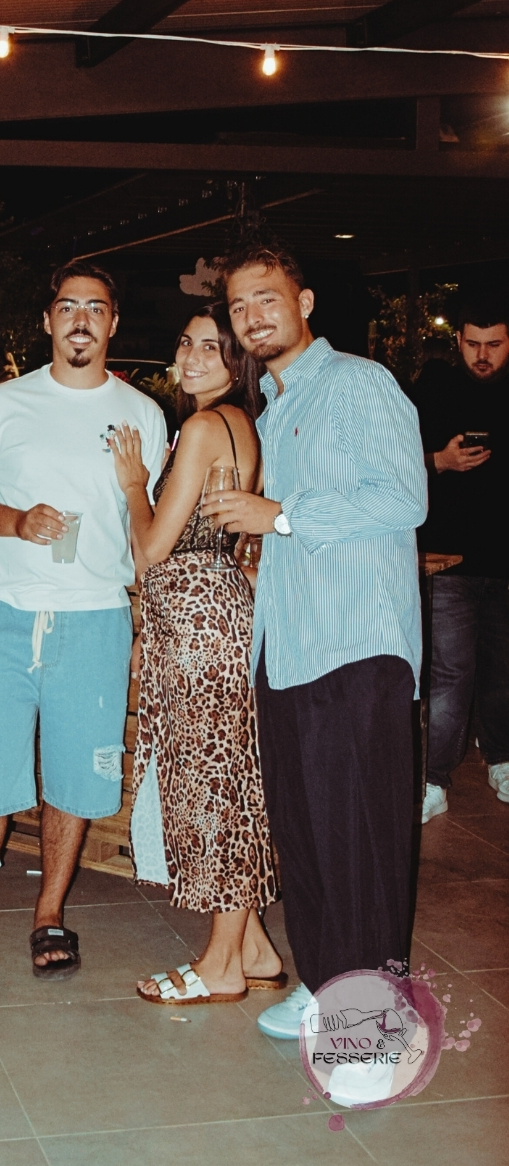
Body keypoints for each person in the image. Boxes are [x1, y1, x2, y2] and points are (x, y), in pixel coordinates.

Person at [0, 264, 167, 1016]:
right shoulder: (6, 402)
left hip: (95, 616)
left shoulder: (143, 414)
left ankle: (49, 913)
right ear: (48, 320)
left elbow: (150, 525)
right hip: (3, 613)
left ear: (114, 322)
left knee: (74, 777)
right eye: (68, 307)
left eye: (96, 307)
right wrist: (16, 520)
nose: (81, 319)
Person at [211, 247, 426, 1047]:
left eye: (266, 298)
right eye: (239, 306)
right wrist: (268, 538)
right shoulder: (270, 407)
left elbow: (403, 496)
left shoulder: (358, 383)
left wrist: (282, 515)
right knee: (304, 831)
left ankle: (373, 1021)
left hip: (355, 647)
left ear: (303, 302)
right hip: (289, 645)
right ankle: (326, 979)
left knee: (360, 839)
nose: (252, 316)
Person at [108, 302, 282, 1005]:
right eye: (186, 342)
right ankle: (255, 948)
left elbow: (153, 549)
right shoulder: (241, 424)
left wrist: (132, 484)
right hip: (213, 613)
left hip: (197, 622)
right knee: (228, 780)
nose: (191, 357)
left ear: (238, 360)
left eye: (211, 347)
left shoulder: (207, 426)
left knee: (214, 791)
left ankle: (221, 966)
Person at [414, 292, 508, 819]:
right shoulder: (435, 389)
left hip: (503, 560)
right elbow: (399, 461)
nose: (482, 355)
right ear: (458, 340)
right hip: (449, 558)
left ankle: (501, 758)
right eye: (473, 344)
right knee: (450, 672)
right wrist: (441, 461)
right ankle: (433, 777)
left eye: (494, 344)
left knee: (503, 670)